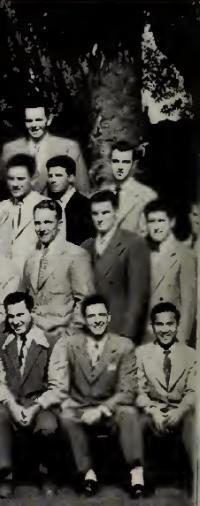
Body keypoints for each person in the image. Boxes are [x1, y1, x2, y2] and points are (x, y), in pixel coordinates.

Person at [53, 295, 143, 498]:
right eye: (92, 316)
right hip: (80, 407)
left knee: (128, 412)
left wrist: (102, 410)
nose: (97, 320)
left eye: (102, 315)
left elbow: (128, 391)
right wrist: (68, 402)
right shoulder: (70, 344)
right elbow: (59, 382)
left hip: (110, 409)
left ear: (109, 317)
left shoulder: (124, 346)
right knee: (66, 416)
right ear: (84, 319)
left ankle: (136, 475)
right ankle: (88, 474)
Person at [0, 291, 65, 498]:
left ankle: (46, 474)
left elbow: (57, 386)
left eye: (20, 314)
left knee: (48, 426)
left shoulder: (51, 341)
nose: (15, 321)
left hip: (39, 404)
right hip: (10, 402)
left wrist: (34, 408)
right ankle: (6, 475)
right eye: (11, 316)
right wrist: (13, 406)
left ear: (31, 312)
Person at [131, 302, 196, 489]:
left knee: (194, 422)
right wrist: (153, 411)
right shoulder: (141, 354)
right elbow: (138, 390)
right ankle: (138, 481)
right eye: (159, 324)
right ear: (152, 327)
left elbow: (193, 390)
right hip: (154, 409)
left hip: (180, 409)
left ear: (177, 325)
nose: (165, 330)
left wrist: (181, 410)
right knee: (136, 421)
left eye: (170, 324)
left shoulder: (191, 355)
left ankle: (194, 480)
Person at [83, 190, 151, 340]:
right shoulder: (86, 247)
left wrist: (126, 336)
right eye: (95, 214)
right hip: (90, 332)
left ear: (116, 213)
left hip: (119, 330)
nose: (100, 219)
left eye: (105, 212)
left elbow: (137, 296)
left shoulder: (133, 243)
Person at [24, 199, 95, 340]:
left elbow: (85, 302)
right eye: (38, 223)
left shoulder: (77, 255)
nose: (41, 228)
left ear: (59, 224)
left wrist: (69, 335)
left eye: (47, 222)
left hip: (62, 337)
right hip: (32, 336)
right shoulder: (31, 257)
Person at [0, 97, 89, 194]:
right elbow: (2, 192)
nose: (34, 125)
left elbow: (83, 190)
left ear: (49, 120)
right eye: (29, 121)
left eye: (38, 120)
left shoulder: (69, 147)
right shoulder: (10, 149)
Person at [145, 200, 197, 342]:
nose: (156, 227)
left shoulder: (184, 254)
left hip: (171, 335)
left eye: (161, 220)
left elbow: (188, 304)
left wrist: (181, 342)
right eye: (152, 221)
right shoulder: (144, 253)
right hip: (146, 337)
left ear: (172, 222)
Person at [1, 154, 47, 271]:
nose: (15, 184)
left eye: (20, 179)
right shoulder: (1, 207)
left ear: (32, 179)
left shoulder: (47, 206)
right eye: (11, 179)